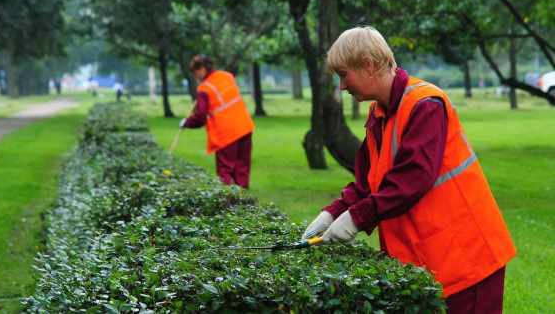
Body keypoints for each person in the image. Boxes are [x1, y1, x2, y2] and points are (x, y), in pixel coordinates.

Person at [302, 26, 515, 313]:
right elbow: (368, 183)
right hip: (434, 260)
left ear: (368, 65)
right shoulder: (379, 113)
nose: (342, 86)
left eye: (343, 75)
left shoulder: (425, 104)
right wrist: (332, 213)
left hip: (467, 259)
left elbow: (412, 179)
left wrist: (356, 218)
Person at [180, 55, 255, 188]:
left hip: (226, 134)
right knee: (242, 167)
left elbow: (200, 117)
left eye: (195, 72)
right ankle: (244, 202)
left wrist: (186, 122)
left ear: (202, 69)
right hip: (244, 127)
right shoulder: (227, 76)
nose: (195, 76)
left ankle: (229, 203)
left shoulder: (204, 89)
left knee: (225, 170)